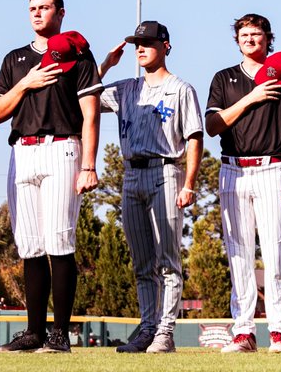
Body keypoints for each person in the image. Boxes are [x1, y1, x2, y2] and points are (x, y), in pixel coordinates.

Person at [0, 0, 102, 354]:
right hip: (22, 151)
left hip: (62, 148)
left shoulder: (79, 58)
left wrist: (89, 164)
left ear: (61, 12)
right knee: (30, 246)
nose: (37, 13)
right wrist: (26, 82)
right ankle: (34, 331)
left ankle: (60, 334)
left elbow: (90, 115)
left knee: (59, 241)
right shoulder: (15, 59)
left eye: (45, 7)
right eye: (32, 8)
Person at [97, 21, 203, 354]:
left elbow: (194, 138)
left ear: (165, 46)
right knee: (142, 263)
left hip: (165, 172)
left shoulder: (181, 88)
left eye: (147, 42)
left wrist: (189, 183)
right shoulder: (125, 88)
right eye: (136, 44)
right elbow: (81, 99)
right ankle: (147, 329)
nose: (140, 48)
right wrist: (105, 65)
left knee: (168, 260)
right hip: (130, 175)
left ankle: (165, 332)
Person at [205, 14, 281, 353]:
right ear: (237, 40)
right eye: (244, 34)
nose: (251, 39)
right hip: (232, 169)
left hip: (272, 166)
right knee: (239, 254)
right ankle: (244, 332)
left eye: (257, 33)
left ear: (268, 38)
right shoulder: (224, 78)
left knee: (276, 254)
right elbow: (213, 125)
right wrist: (251, 97)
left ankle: (278, 332)